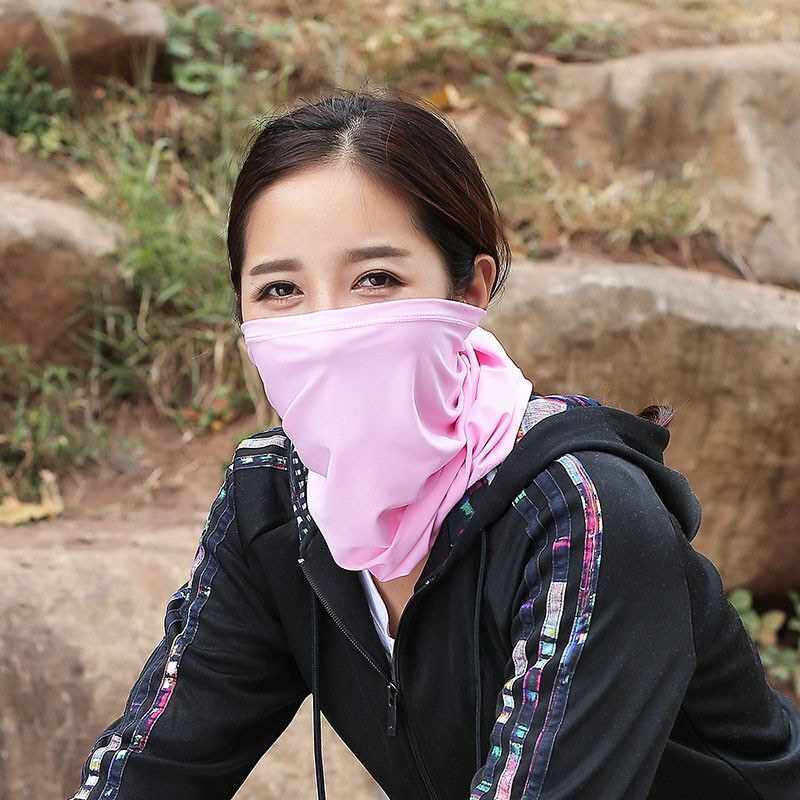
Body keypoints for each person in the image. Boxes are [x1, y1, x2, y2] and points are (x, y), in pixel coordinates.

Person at [68, 87, 800, 800]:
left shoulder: (582, 512)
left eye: (375, 278)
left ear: (470, 290)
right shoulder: (274, 498)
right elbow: (158, 766)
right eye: (280, 291)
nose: (328, 327)